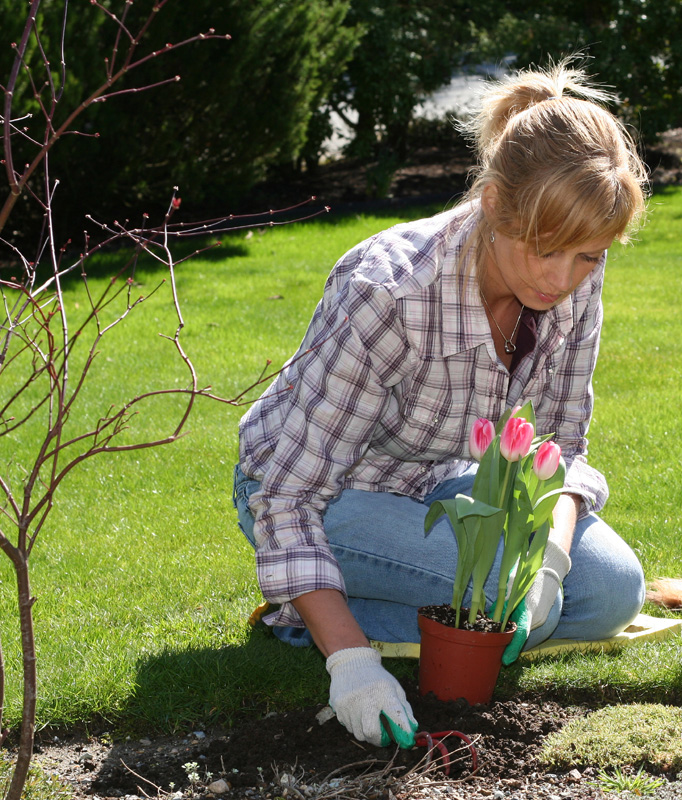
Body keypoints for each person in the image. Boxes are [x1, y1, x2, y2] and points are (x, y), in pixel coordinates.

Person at [232, 60, 649, 750]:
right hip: (315, 494)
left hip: (435, 484)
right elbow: (291, 495)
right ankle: (319, 618)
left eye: (589, 258)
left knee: (609, 591)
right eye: (547, 251)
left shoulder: (572, 276)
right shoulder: (390, 292)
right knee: (496, 599)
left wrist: (550, 557)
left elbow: (562, 445)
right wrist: (352, 664)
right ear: (492, 206)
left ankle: (314, 609)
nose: (563, 279)